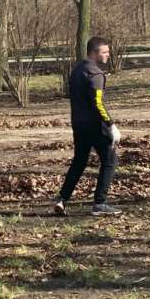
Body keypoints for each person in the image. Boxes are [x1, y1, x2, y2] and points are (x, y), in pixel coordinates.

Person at [55, 36, 122, 216]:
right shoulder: (95, 74)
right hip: (95, 126)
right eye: (105, 52)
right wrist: (111, 125)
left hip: (78, 124)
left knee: (79, 162)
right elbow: (98, 103)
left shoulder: (77, 70)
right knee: (110, 161)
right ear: (94, 53)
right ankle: (100, 203)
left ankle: (62, 199)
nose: (108, 55)